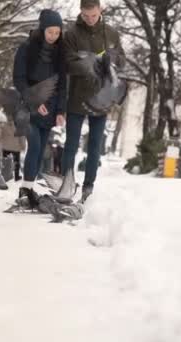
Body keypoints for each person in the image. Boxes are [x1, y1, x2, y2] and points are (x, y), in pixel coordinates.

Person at [62, 0, 125, 202]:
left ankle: (88, 186)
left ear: (100, 11)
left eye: (94, 15)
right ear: (81, 12)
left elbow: (121, 61)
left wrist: (112, 61)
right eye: (86, 16)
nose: (90, 20)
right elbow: (67, 64)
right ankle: (67, 182)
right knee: (71, 144)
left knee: (95, 145)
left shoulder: (112, 33)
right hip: (77, 97)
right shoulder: (71, 34)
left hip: (101, 99)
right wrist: (89, 63)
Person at [13, 9, 66, 206]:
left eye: (57, 32)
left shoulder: (60, 54)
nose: (53, 36)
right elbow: (18, 79)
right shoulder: (26, 48)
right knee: (34, 144)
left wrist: (60, 111)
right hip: (28, 107)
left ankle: (29, 189)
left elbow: (62, 85)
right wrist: (35, 102)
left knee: (40, 149)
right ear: (42, 29)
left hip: (50, 110)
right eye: (50, 31)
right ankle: (25, 189)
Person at [0, 117, 26, 181]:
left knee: (5, 161)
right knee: (16, 162)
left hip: (5, 147)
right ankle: (16, 177)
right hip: (15, 148)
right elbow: (22, 138)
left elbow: (0, 136)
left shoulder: (4, 126)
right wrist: (23, 147)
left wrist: (2, 142)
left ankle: (3, 174)